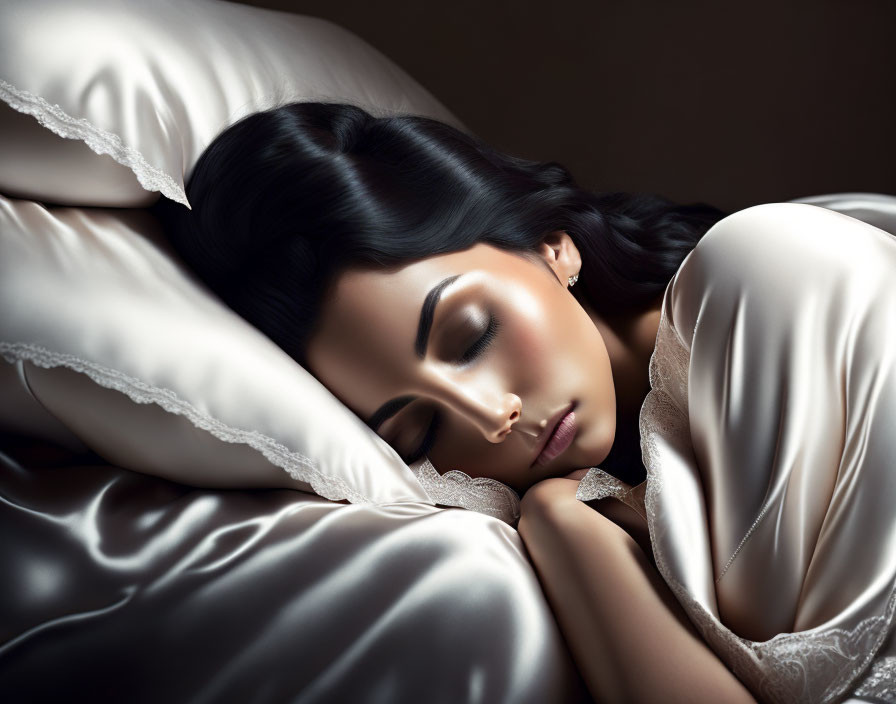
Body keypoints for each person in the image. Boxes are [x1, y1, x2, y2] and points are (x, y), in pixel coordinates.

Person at [152, 102, 896, 703]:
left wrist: (564, 528)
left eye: (470, 335)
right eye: (421, 427)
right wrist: (565, 523)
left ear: (552, 244)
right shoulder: (605, 487)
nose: (487, 417)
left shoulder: (757, 278)